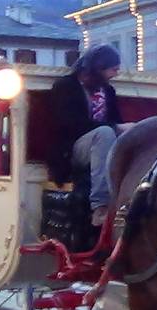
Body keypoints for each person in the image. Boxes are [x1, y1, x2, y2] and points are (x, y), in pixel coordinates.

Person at [50, 44, 131, 226]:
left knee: (120, 135)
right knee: (105, 133)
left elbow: (115, 120)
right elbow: (70, 124)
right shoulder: (66, 86)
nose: (116, 74)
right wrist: (117, 128)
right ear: (99, 68)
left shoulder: (108, 91)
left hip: (103, 143)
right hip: (72, 148)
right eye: (114, 69)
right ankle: (100, 205)